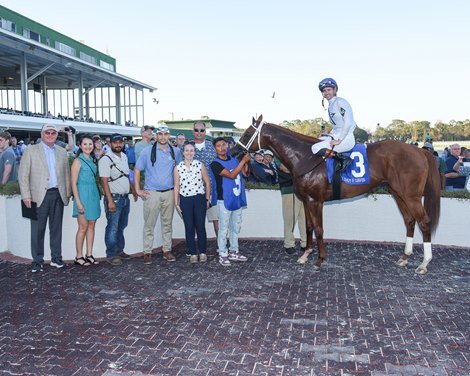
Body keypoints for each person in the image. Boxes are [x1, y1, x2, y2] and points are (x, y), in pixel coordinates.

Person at [18, 124, 72, 272]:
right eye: (47, 132)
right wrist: (26, 196)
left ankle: (56, 258)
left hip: (57, 195)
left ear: (56, 135)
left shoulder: (62, 152)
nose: (50, 135)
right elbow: (23, 176)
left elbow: (66, 174)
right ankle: (37, 261)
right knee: (37, 231)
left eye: (53, 133)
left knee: (56, 229)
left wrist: (67, 194)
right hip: (36, 197)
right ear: (41, 134)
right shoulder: (30, 151)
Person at [134, 124, 183, 265]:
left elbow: (180, 171)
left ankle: (167, 250)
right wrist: (138, 190)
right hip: (152, 194)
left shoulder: (175, 152)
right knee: (149, 224)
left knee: (167, 224)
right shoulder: (147, 151)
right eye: (160, 134)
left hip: (169, 193)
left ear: (169, 136)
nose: (163, 137)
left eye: (165, 134)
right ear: (156, 136)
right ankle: (147, 252)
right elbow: (137, 170)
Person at [210, 137, 251, 266]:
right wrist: (243, 160)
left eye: (224, 144)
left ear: (227, 146)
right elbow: (231, 175)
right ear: (215, 149)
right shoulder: (215, 164)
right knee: (223, 228)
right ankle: (222, 253)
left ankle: (234, 250)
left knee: (235, 227)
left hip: (236, 198)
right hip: (223, 200)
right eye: (219, 146)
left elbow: (244, 174)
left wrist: (246, 161)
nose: (222, 147)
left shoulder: (234, 160)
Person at [99, 133, 138, 266]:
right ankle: (111, 254)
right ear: (110, 143)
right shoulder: (106, 159)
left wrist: (133, 189)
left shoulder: (124, 157)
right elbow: (104, 181)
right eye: (115, 142)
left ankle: (119, 250)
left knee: (121, 226)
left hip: (125, 197)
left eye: (120, 142)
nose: (118, 145)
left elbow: (126, 175)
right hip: (114, 198)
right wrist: (109, 200)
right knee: (112, 227)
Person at [174, 142, 211, 263]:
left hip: (199, 199)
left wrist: (206, 199)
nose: (189, 153)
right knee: (189, 227)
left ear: (194, 152)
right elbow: (176, 186)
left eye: (191, 150)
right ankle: (192, 253)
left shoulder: (200, 165)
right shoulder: (178, 168)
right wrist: (176, 203)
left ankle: (203, 252)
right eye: (187, 150)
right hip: (185, 200)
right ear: (183, 152)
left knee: (200, 226)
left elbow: (207, 183)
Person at [311, 78, 357, 173]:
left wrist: (339, 140)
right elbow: (337, 127)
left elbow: (348, 122)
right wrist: (328, 134)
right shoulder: (331, 105)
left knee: (315, 148)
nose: (326, 92)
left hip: (346, 139)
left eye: (329, 90)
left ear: (334, 90)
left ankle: (342, 159)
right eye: (324, 91)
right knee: (315, 141)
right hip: (337, 136)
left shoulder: (340, 102)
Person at [71, 135, 101, 266]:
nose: (88, 146)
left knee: (92, 225)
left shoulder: (93, 160)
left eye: (90, 144)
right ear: (80, 146)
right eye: (85, 144)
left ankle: (89, 254)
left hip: (93, 195)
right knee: (82, 227)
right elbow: (73, 183)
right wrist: (78, 202)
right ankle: (78, 256)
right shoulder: (77, 161)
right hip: (82, 195)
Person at [275, 159, 307, 255]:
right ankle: (289, 244)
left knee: (304, 219)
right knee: (290, 219)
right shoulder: (278, 155)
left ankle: (305, 244)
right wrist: (302, 169)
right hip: (289, 190)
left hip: (303, 189)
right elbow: (285, 168)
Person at [193, 121, 219, 236]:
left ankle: (221, 245)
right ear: (193, 131)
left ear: (205, 131)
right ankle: (196, 247)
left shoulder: (212, 147)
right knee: (195, 220)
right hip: (192, 191)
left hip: (212, 189)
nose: (199, 132)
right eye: (196, 130)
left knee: (216, 218)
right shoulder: (187, 147)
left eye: (202, 130)